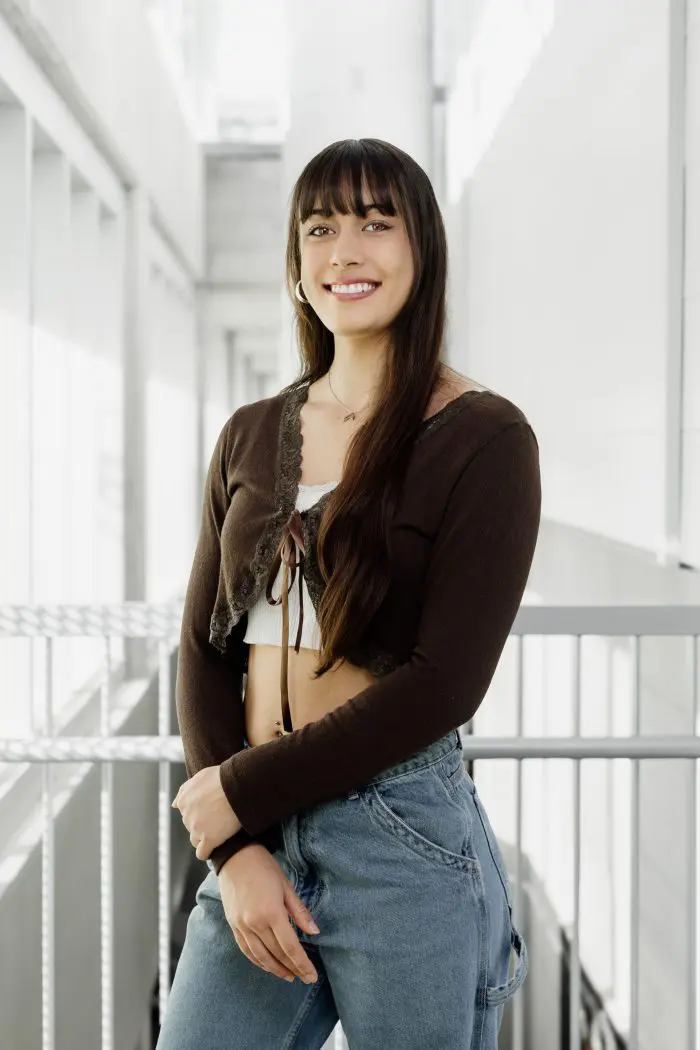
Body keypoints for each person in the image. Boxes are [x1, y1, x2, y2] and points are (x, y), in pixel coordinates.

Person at [159, 137, 541, 1049]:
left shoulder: (486, 438)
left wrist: (236, 792)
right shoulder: (252, 433)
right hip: (258, 828)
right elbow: (206, 648)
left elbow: (445, 685)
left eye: (379, 223)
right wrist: (235, 843)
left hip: (400, 836)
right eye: (322, 227)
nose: (347, 250)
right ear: (297, 266)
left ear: (423, 251)